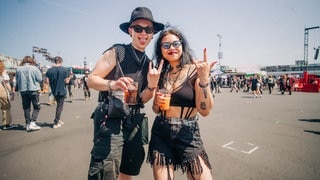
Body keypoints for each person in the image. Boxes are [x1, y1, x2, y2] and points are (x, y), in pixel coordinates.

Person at [87, 7, 164, 180]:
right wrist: (113, 84)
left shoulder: (149, 63)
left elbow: (141, 99)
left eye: (148, 29)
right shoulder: (118, 51)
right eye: (138, 28)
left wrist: (151, 87)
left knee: (129, 168)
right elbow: (91, 79)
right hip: (111, 119)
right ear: (130, 31)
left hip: (134, 121)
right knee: (106, 170)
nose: (143, 33)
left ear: (153, 34)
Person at [147, 26, 216, 180]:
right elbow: (155, 110)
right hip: (161, 131)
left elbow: (205, 111)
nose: (171, 48)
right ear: (161, 49)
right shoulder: (161, 73)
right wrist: (156, 102)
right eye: (166, 45)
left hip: (188, 132)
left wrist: (204, 80)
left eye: (175, 43)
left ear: (182, 45)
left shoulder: (195, 71)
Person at [15, 56, 42, 132]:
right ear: (31, 61)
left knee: (26, 108)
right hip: (33, 90)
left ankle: (27, 124)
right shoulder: (34, 68)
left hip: (23, 90)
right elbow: (40, 79)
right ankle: (32, 122)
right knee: (37, 106)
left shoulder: (18, 69)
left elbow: (16, 81)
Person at [46, 56, 70, 129]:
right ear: (61, 61)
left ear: (55, 61)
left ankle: (58, 120)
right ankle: (56, 122)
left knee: (59, 106)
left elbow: (47, 81)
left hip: (54, 90)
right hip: (62, 90)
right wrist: (68, 79)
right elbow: (67, 81)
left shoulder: (49, 70)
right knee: (60, 106)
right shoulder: (64, 70)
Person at [0, 61, 14, 130]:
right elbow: (6, 83)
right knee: (6, 107)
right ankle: (6, 124)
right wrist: (11, 92)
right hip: (1, 90)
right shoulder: (3, 72)